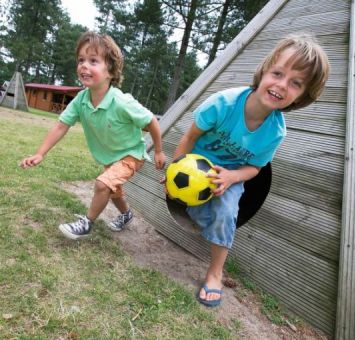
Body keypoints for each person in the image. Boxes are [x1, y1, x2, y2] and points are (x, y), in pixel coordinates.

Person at [170, 34, 330, 307]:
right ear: (265, 70)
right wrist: (175, 172)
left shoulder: (275, 132)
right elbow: (189, 137)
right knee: (193, 205)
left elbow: (255, 168)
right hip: (195, 165)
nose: (281, 85)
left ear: (301, 96)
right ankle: (197, 210)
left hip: (231, 173)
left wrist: (232, 177)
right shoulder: (223, 104)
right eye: (278, 73)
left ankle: (215, 272)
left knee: (226, 212)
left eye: (295, 83)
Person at [20, 32, 166, 240]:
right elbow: (62, 125)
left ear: (111, 71)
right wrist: (40, 153)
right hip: (111, 156)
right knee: (113, 191)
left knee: (102, 184)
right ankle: (126, 214)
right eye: (81, 60)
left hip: (132, 155)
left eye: (93, 61)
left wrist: (159, 151)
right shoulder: (81, 99)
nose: (84, 66)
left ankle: (87, 223)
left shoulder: (122, 102)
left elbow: (151, 121)